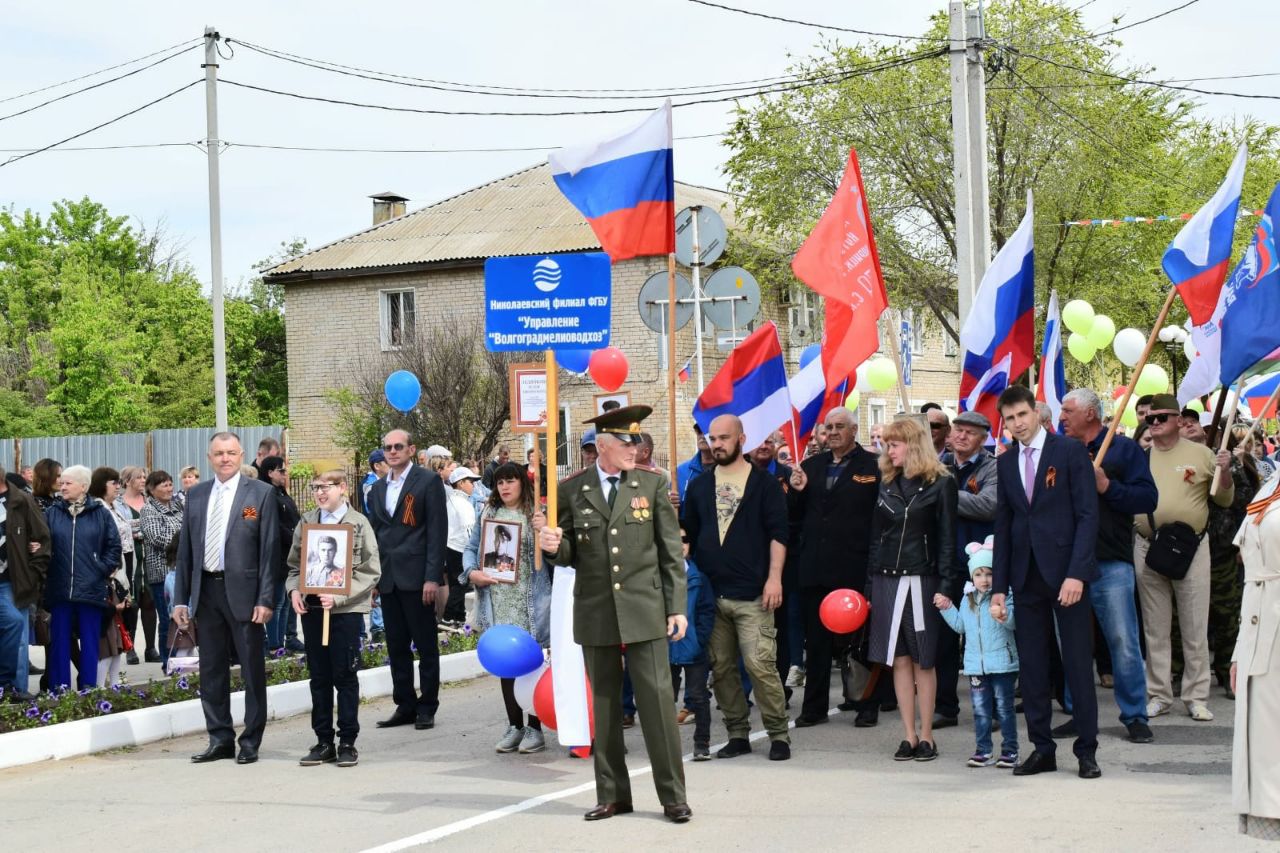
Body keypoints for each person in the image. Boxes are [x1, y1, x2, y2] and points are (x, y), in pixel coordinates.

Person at [539, 405, 691, 823]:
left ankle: (672, 796)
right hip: (597, 608)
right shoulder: (573, 490)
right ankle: (612, 794)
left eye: (637, 442)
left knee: (658, 704)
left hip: (645, 606)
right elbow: (570, 553)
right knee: (604, 707)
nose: (635, 449)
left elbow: (670, 553)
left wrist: (676, 607)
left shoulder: (652, 485)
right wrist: (554, 545)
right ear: (602, 446)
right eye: (627, 442)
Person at [992, 384, 1101, 779]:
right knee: (1034, 668)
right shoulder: (1004, 464)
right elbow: (1002, 527)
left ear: (1036, 413)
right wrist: (999, 589)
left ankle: (1087, 751)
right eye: (1009, 419)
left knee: (1075, 663)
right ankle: (1042, 748)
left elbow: (1088, 516)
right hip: (1025, 576)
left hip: (1067, 575)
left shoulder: (1069, 451)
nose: (1017, 424)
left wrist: (1077, 573)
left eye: (1022, 415)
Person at [684, 414, 791, 761]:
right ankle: (737, 733)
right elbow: (688, 534)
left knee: (761, 665)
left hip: (754, 595)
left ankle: (778, 735)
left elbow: (779, 534)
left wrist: (774, 578)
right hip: (711, 597)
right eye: (713, 438)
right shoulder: (699, 486)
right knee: (722, 668)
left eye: (724, 438)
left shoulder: (764, 484)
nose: (717, 444)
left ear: (741, 439)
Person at [1057, 389, 1158, 744]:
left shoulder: (1123, 449)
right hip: (1068, 564)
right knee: (1073, 642)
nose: (1062, 416)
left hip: (1110, 561)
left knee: (1123, 641)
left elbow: (1148, 498)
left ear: (1090, 413)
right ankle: (1077, 711)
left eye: (1068, 411)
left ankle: (1134, 715)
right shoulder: (1059, 449)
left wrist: (1107, 486)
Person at [173, 432, 280, 765]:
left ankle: (250, 740)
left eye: (231, 453)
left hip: (246, 595)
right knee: (212, 670)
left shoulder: (260, 494)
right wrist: (181, 600)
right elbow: (185, 551)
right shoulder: (197, 495)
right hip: (206, 593)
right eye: (218, 453)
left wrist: (265, 599)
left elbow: (269, 551)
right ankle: (219, 738)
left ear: (241, 454)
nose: (225, 459)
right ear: (209, 458)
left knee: (251, 669)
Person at [1135, 394, 1235, 722]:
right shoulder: (1140, 457)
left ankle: (1196, 696)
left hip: (1190, 547)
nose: (1155, 423)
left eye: (1162, 417)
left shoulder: (1202, 454)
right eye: (1150, 418)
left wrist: (1225, 472)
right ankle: (1159, 695)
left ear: (1179, 420)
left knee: (1194, 624)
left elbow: (1223, 499)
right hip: (1148, 545)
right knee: (1155, 626)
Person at [866, 417, 960, 762]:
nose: (888, 450)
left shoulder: (942, 483)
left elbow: (948, 539)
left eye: (894, 444)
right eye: (887, 444)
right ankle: (907, 735)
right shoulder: (885, 482)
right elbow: (876, 538)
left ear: (913, 445)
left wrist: (948, 585)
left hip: (923, 579)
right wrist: (869, 587)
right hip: (886, 579)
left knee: (924, 659)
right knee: (899, 659)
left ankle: (927, 736)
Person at [789, 407, 883, 728]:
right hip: (815, 566)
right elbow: (797, 516)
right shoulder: (811, 466)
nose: (833, 432)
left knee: (861, 641)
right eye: (828, 427)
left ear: (854, 430)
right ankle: (813, 707)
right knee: (815, 643)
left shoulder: (873, 466)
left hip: (854, 565)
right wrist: (796, 492)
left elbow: (880, 516)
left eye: (840, 426)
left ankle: (867, 704)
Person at [288, 470, 381, 768]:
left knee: (345, 675)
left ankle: (348, 742)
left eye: (325, 487)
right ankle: (323, 740)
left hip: (346, 612)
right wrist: (294, 591)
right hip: (314, 611)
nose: (319, 492)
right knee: (319, 677)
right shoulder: (307, 522)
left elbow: (370, 570)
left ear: (342, 488)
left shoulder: (358, 523)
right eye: (315, 487)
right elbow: (293, 566)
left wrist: (339, 596)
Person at [463, 461, 551, 755]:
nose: (505, 487)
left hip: (529, 602)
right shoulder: (489, 513)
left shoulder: (536, 515)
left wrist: (546, 531)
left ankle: (534, 728)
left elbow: (556, 554)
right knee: (506, 665)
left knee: (531, 665)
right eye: (500, 482)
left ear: (522, 484)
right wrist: (472, 573)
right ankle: (514, 725)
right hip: (498, 600)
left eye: (510, 481)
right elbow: (470, 548)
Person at [366, 429, 448, 731]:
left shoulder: (427, 481)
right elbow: (374, 536)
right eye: (387, 447)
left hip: (418, 578)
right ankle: (405, 704)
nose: (392, 451)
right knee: (396, 646)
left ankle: (427, 705)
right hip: (388, 578)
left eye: (398, 446)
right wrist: (373, 579)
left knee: (426, 645)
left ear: (411, 450)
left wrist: (432, 577)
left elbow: (436, 532)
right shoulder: (376, 490)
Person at [934, 410, 999, 730]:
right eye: (957, 430)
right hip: (944, 565)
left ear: (983, 438)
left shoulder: (992, 467)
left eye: (970, 432)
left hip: (980, 568)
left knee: (985, 639)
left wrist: (940, 494)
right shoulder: (938, 464)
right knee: (944, 640)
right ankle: (945, 707)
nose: (961, 436)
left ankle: (993, 709)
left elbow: (988, 505)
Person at [936, 537, 1020, 769]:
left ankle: (1010, 751)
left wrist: (1004, 616)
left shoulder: (1005, 595)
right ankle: (983, 751)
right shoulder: (967, 598)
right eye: (979, 574)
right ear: (972, 576)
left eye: (989, 573)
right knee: (981, 712)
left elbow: (1014, 624)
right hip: (975, 665)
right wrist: (947, 608)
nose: (984, 579)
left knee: (1004, 709)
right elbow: (960, 627)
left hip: (1003, 664)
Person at [1230, 467, 1280, 840]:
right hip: (1259, 624)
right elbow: (1250, 570)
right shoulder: (1272, 480)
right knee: (1266, 755)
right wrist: (1237, 651)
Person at [43, 465, 121, 691]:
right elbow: (42, 543)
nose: (62, 486)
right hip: (60, 588)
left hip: (91, 587)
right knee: (59, 643)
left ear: (83, 486)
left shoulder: (100, 513)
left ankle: (89, 687)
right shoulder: (52, 512)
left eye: (68, 483)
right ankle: (61, 689)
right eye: (62, 482)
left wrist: (100, 569)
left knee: (90, 642)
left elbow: (113, 547)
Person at [1208, 425, 1260, 697]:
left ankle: (1226, 670)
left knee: (1227, 612)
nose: (1195, 430)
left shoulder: (1227, 461)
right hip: (1187, 550)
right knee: (1181, 620)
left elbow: (1246, 502)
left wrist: (1243, 543)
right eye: (1190, 424)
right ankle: (1181, 671)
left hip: (1223, 549)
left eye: (1203, 427)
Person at [751, 431, 802, 694]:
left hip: (783, 565)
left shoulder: (789, 475)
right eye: (760, 440)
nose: (763, 445)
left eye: (769, 442)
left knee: (779, 629)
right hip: (748, 565)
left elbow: (796, 517)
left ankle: (779, 688)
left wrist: (797, 491)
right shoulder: (736, 476)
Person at [0, 463, 50, 701]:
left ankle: (14, 690)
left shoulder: (21, 501)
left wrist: (34, 572)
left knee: (16, 631)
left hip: (12, 581)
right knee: (13, 628)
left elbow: (42, 538)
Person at [669, 527, 715, 760]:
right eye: (674, 539)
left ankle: (702, 743)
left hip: (694, 647)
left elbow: (707, 611)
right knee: (665, 698)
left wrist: (700, 639)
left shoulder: (699, 578)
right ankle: (667, 747)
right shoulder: (658, 576)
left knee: (698, 696)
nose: (680, 544)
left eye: (685, 539)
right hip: (666, 648)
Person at [95, 467, 139, 667]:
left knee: (125, 616)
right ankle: (104, 676)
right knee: (113, 621)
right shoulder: (100, 507)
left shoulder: (114, 506)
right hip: (113, 571)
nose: (118, 487)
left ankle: (114, 674)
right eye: (114, 483)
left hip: (125, 568)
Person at [139, 470, 182, 669]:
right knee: (166, 618)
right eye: (163, 485)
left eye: (170, 484)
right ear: (151, 489)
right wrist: (181, 542)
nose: (168, 488)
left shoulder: (178, 505)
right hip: (162, 573)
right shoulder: (149, 510)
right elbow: (157, 538)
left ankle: (183, 656)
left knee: (183, 616)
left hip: (182, 569)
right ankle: (168, 661)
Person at [259, 456, 302, 654]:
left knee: (285, 601)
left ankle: (285, 640)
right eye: (281, 471)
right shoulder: (266, 494)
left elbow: (294, 519)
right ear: (269, 473)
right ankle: (275, 644)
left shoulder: (282, 493)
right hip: (277, 555)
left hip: (289, 555)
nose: (285, 474)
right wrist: (295, 537)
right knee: (276, 602)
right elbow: (273, 524)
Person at [117, 466, 154, 663]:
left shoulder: (150, 501)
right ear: (127, 480)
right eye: (138, 477)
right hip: (129, 558)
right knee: (131, 604)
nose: (142, 480)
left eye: (144, 477)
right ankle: (129, 647)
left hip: (150, 558)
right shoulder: (118, 504)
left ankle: (151, 648)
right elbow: (120, 529)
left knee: (150, 602)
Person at [443, 465, 478, 624]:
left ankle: (458, 616)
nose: (473, 485)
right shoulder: (461, 503)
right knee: (460, 584)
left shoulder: (457, 500)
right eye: (470, 481)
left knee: (457, 584)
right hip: (460, 547)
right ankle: (449, 617)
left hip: (453, 547)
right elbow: (468, 530)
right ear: (461, 483)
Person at [676, 423, 712, 504]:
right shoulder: (681, 471)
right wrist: (670, 502)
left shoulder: (726, 470)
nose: (702, 436)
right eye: (699, 432)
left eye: (706, 431)